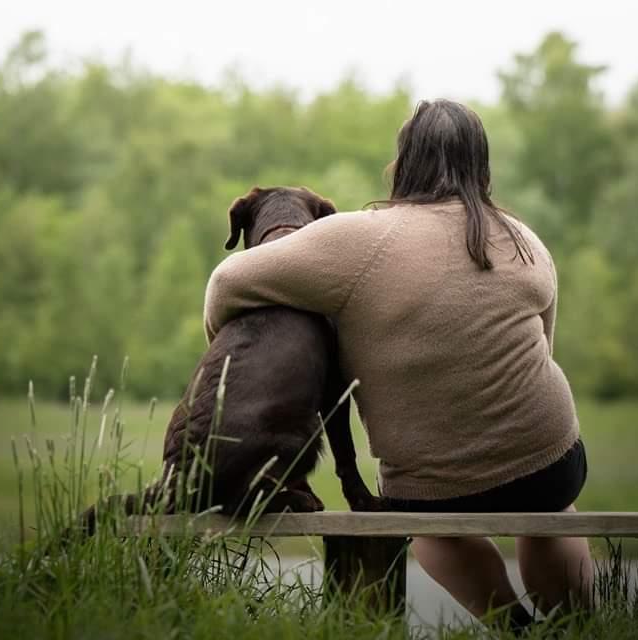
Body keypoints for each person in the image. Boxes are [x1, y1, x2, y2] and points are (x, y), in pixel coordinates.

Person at [203, 99, 592, 628]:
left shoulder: (358, 238)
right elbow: (542, 349)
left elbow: (227, 281)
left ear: (402, 163)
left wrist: (229, 355)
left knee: (432, 534)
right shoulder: (527, 243)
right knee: (553, 513)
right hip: (549, 461)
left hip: (430, 486)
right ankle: (581, 628)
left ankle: (513, 628)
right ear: (482, 167)